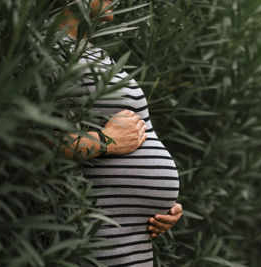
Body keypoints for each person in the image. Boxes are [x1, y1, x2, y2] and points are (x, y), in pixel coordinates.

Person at [55, 1, 183, 266]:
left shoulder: (92, 52)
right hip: (93, 245)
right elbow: (24, 142)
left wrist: (161, 209)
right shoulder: (45, 49)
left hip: (133, 243)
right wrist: (106, 141)